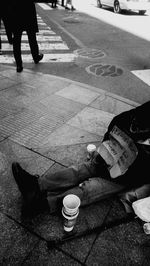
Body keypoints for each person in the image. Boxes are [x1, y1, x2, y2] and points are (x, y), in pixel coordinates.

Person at [12, 101, 150, 215]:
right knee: (79, 170)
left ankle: (41, 204)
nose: (136, 129)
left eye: (139, 130)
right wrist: (104, 153)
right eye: (135, 126)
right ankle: (36, 185)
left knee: (90, 188)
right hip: (107, 160)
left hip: (127, 177)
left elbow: (144, 175)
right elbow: (110, 134)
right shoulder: (128, 117)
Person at [5, 0, 43, 73]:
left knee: (16, 40)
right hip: (28, 11)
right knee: (32, 37)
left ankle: (19, 65)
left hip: (16, 12)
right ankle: (35, 57)